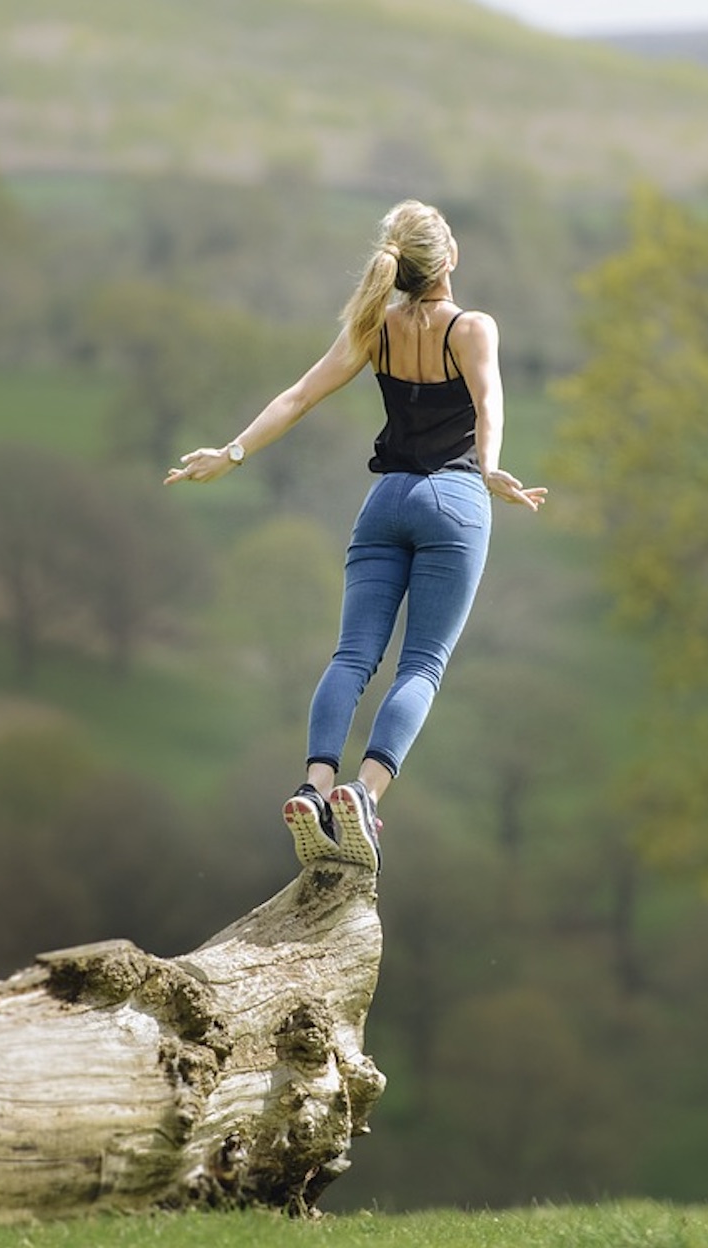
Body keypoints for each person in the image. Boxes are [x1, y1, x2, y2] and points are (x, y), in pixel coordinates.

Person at [164, 199, 546, 873]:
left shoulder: (378, 328)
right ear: (448, 258)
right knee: (421, 663)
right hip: (453, 503)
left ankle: (312, 789)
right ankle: (363, 797)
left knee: (351, 658)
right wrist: (487, 469)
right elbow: (490, 401)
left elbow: (299, 396)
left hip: (384, 504)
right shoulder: (473, 328)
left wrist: (232, 454)